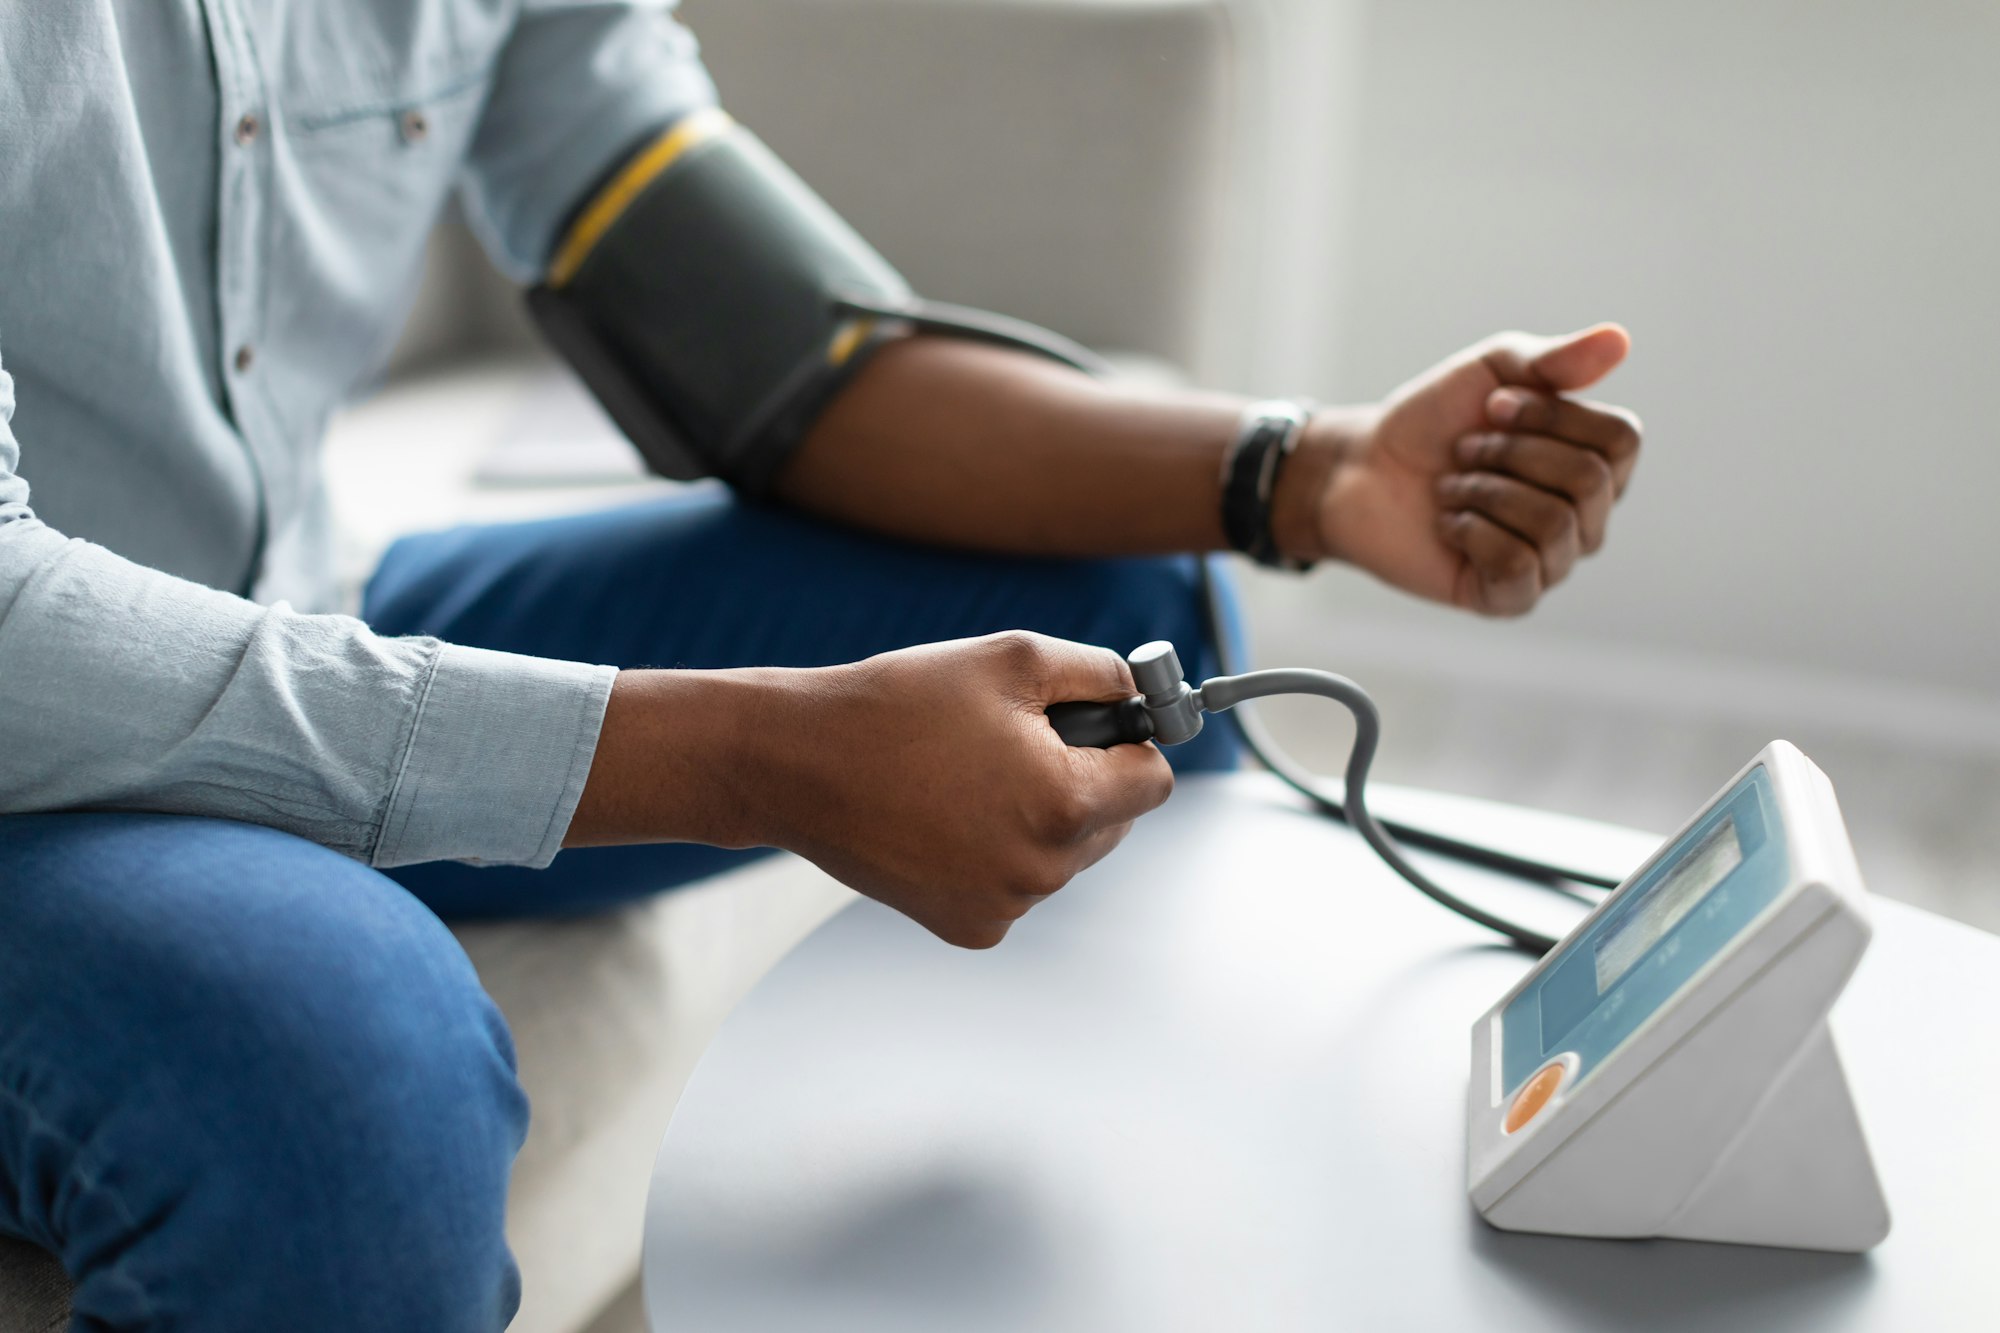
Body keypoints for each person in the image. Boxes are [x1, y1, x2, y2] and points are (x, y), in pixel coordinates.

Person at [0, 2, 1642, 1327]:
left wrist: (1306, 473)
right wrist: (758, 752)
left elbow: (786, 355)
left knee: (1108, 601)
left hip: (282, 598)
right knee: (340, 1087)